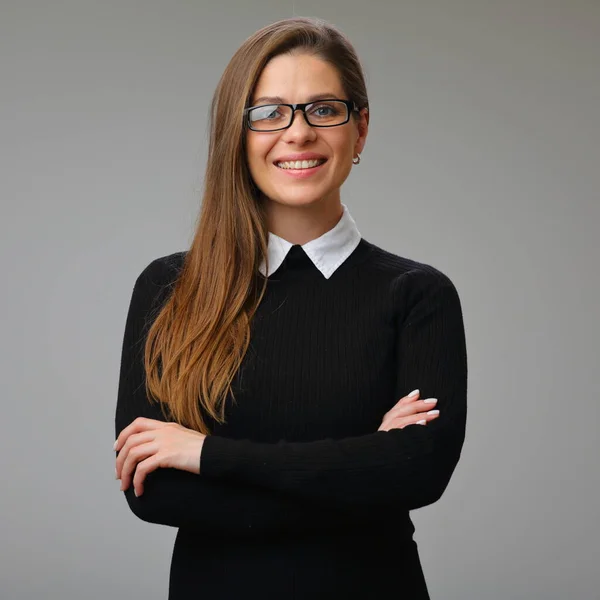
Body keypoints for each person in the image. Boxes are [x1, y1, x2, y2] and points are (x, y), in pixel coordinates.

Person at [114, 16, 467, 600]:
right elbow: (156, 494)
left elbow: (418, 473)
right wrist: (362, 472)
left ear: (361, 129)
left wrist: (206, 453)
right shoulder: (169, 287)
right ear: (237, 132)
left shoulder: (418, 294)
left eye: (324, 109)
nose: (297, 133)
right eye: (268, 112)